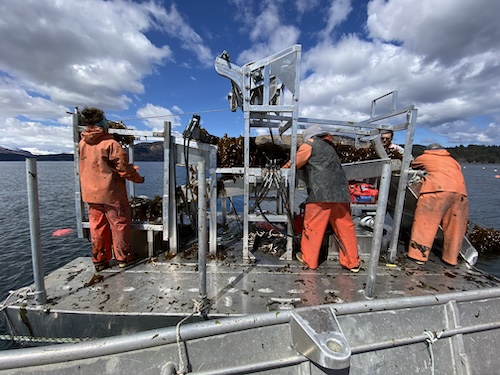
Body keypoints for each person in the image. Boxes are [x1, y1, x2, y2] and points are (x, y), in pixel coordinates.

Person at [283, 125, 361, 271]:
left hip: (321, 194)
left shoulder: (310, 145)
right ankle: (353, 262)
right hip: (341, 194)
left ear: (310, 136)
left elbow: (295, 163)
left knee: (313, 226)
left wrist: (282, 170)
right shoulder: (330, 148)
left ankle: (309, 260)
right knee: (345, 227)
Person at [78, 107, 145, 272]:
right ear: (103, 123)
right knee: (119, 224)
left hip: (90, 193)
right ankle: (123, 258)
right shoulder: (111, 144)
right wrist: (138, 178)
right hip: (111, 193)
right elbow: (123, 169)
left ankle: (100, 260)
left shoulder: (82, 143)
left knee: (97, 226)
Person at [407, 143, 468, 266]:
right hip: (460, 193)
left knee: (425, 224)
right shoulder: (453, 161)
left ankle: (418, 256)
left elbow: (412, 165)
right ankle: (451, 259)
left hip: (436, 190)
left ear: (428, 150)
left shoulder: (425, 157)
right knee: (455, 229)